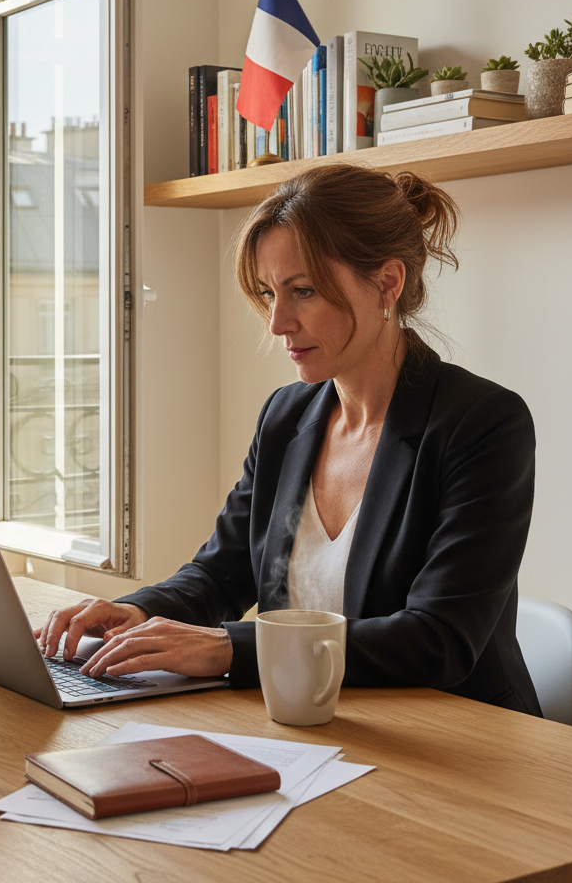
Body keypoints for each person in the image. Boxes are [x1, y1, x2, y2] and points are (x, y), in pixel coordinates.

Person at [35, 164, 541, 715]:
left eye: (303, 291)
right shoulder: (286, 416)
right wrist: (133, 611)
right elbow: (222, 572)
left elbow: (438, 640)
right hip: (307, 724)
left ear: (388, 283)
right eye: (269, 292)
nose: (277, 322)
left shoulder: (484, 423)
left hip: (454, 740)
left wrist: (228, 648)